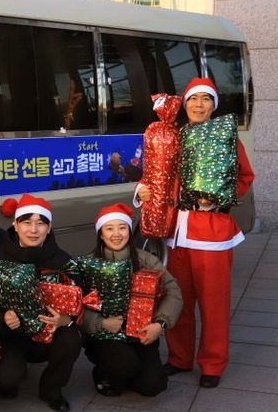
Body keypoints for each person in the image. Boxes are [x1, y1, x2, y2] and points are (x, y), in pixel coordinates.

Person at [135, 77, 255, 388]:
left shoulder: (225, 138)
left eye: (206, 99)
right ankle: (179, 357)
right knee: (177, 298)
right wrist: (142, 192)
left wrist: (218, 199)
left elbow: (245, 176)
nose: (199, 105)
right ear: (184, 104)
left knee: (214, 304)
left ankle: (213, 364)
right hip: (175, 233)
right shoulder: (171, 136)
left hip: (212, 235)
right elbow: (154, 174)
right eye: (193, 99)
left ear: (214, 105)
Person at [0, 193, 82, 412]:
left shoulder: (63, 261)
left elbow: (81, 297)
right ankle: (10, 377)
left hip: (50, 334)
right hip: (11, 337)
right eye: (27, 222)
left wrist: (66, 319)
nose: (33, 230)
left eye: (40, 223)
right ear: (15, 225)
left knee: (71, 339)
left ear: (49, 228)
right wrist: (2, 317)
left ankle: (52, 389)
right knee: (7, 381)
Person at [80, 203, 182, 397]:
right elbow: (75, 305)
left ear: (129, 231)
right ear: (100, 234)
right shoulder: (88, 264)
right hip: (105, 335)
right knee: (125, 366)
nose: (116, 234)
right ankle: (105, 372)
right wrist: (101, 323)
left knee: (153, 386)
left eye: (122, 227)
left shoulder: (146, 260)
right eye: (109, 229)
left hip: (140, 333)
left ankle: (125, 372)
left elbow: (173, 290)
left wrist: (159, 324)